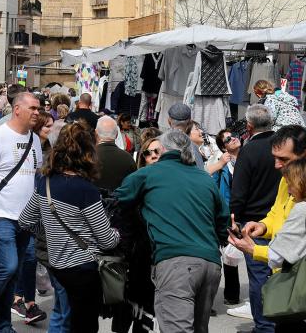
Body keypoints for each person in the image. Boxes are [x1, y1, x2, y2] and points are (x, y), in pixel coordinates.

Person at [116, 130, 228, 333]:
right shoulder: (203, 178)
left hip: (177, 263)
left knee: (178, 329)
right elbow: (222, 218)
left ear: (163, 149)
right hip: (210, 263)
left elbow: (117, 200)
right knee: (199, 328)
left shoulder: (148, 174)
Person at [230, 157, 306, 333]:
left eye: (290, 183)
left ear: (303, 182)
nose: (288, 189)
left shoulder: (305, 210)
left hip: (305, 307)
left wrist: (250, 248)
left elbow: (279, 255)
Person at [18, 122, 120, 332]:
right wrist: (119, 233)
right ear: (87, 151)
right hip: (83, 266)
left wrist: (48, 231)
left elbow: (25, 220)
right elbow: (106, 239)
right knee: (84, 324)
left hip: (57, 264)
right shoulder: (85, 190)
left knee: (65, 316)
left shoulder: (45, 182)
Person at [0, 92, 43, 333]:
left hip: (27, 218)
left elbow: (36, 176)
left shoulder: (34, 140)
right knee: (9, 266)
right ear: (17, 109)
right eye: (33, 108)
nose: (37, 112)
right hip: (1, 214)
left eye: (39, 108)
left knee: (13, 276)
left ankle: (2, 325)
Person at [227, 104, 279, 328]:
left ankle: (264, 326)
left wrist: (235, 219)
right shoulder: (282, 144)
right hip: (281, 219)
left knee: (259, 276)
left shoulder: (249, 151)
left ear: (249, 126)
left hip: (253, 223)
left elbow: (238, 192)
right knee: (279, 274)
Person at [11, 112, 56, 326]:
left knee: (30, 258)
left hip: (41, 210)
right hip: (20, 210)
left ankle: (24, 300)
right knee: (27, 257)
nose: (51, 130)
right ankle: (23, 301)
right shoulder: (27, 146)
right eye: (47, 126)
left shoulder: (49, 150)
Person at [212, 129, 241, 306]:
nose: (234, 139)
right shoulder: (222, 165)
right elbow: (215, 188)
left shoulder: (247, 158)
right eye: (228, 139)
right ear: (224, 147)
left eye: (233, 135)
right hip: (227, 212)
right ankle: (231, 294)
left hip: (244, 211)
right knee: (229, 254)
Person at [92, 116, 136, 191]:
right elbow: (133, 187)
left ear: (96, 133)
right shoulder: (128, 159)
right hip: (119, 200)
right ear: (116, 135)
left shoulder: (87, 156)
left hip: (91, 200)